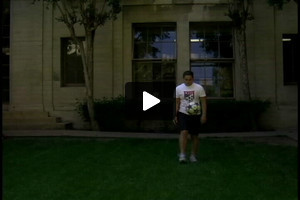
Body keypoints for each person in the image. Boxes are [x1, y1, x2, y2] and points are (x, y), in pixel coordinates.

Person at [174, 70, 207, 163]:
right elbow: (177, 102)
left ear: (193, 78)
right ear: (183, 79)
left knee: (194, 136)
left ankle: (193, 155)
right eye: (186, 79)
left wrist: (204, 115)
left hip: (195, 114)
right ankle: (182, 155)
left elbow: (203, 102)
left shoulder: (199, 88)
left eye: (190, 79)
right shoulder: (179, 89)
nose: (188, 81)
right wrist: (176, 115)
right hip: (183, 113)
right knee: (184, 132)